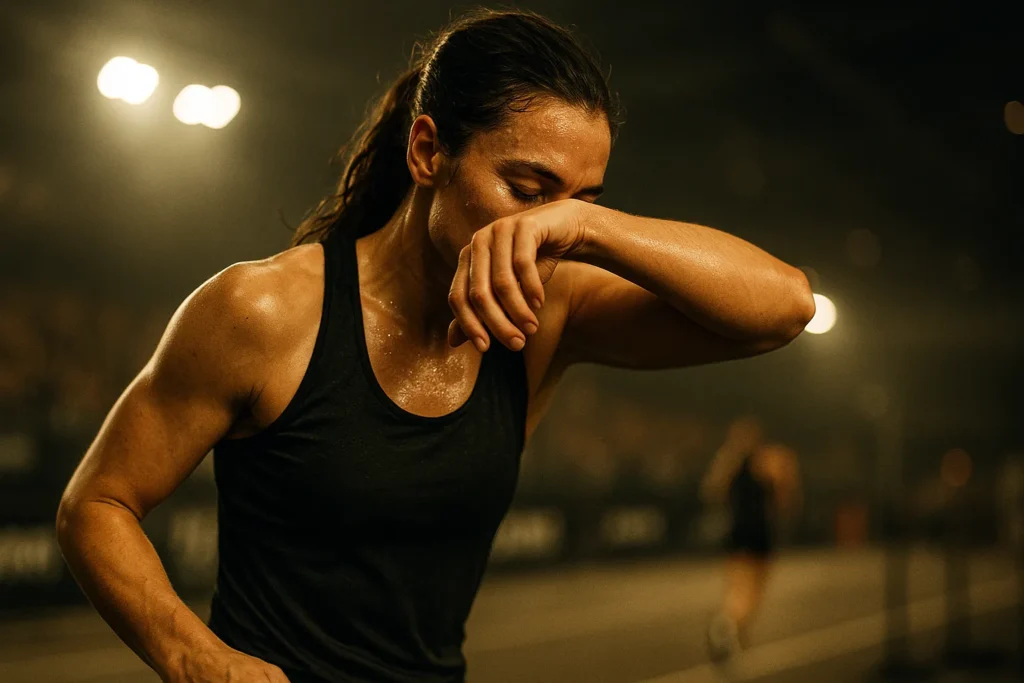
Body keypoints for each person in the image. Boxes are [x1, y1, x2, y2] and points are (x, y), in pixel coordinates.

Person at [55, 9, 815, 683]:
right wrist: (196, 656)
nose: (544, 232)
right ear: (427, 151)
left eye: (578, 203)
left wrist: (590, 227)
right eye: (528, 191)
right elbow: (97, 503)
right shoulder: (263, 311)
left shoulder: (550, 312)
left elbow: (785, 307)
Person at [700, 417, 802, 663]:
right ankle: (729, 624)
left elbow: (711, 491)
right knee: (754, 590)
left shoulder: (729, 462)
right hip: (759, 531)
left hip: (737, 530)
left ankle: (731, 626)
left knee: (738, 587)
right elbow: (786, 496)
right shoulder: (769, 461)